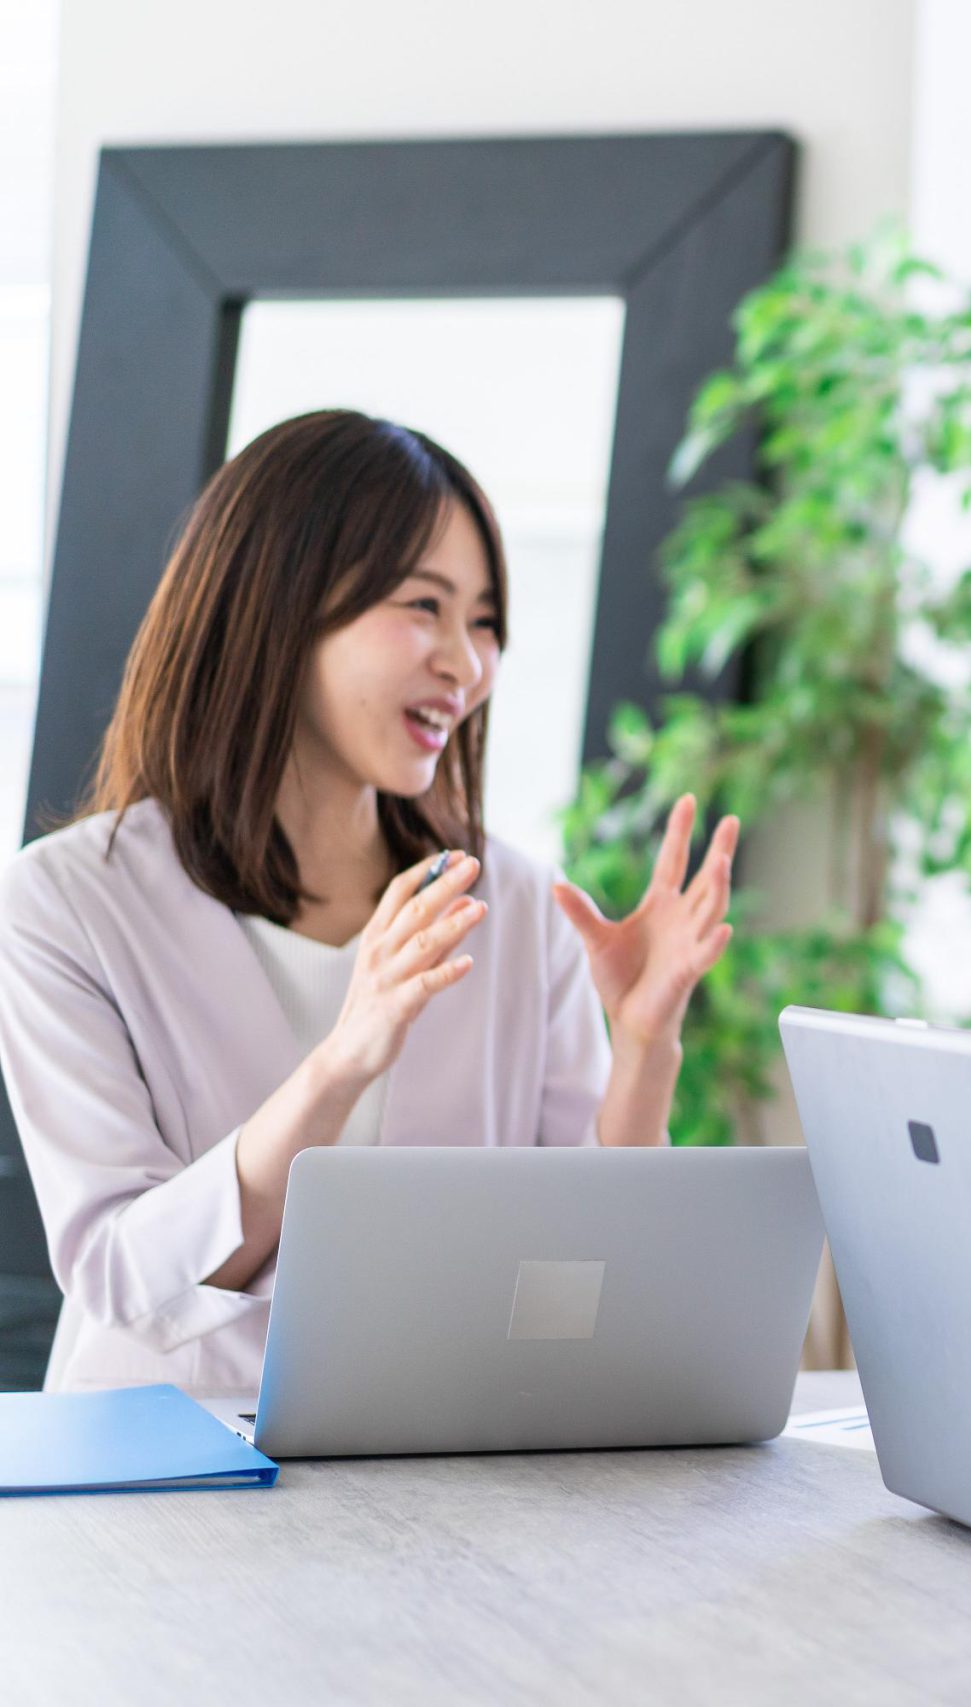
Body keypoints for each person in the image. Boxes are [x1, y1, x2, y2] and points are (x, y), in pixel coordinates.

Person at [0, 410, 738, 1394]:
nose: (466, 664)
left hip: (428, 1456)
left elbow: (591, 1275)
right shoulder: (64, 906)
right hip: (158, 1472)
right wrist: (344, 1059)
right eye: (423, 607)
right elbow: (124, 1277)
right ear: (279, 604)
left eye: (484, 623)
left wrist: (644, 1046)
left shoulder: (511, 902)